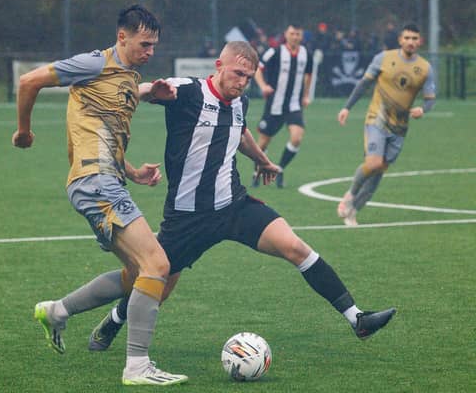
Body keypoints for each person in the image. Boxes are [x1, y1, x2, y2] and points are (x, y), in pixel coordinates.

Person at [84, 41, 396, 356]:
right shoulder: (187, 91)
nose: (242, 82)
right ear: (219, 65)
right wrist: (131, 95)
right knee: (158, 286)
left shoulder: (240, 102)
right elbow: (151, 88)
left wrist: (262, 160)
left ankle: (357, 319)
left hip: (234, 206)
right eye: (238, 73)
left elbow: (241, 133)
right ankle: (113, 320)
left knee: (295, 247)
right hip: (188, 217)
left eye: (248, 77)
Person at [12, 4, 187, 386]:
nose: (151, 52)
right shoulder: (94, 63)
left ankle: (59, 310)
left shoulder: (125, 77)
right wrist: (24, 131)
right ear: (122, 37)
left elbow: (104, 126)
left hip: (104, 180)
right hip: (95, 182)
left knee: (138, 273)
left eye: (155, 45)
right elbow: (29, 81)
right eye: (145, 44)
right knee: (159, 264)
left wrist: (134, 170)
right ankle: (138, 367)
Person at [337, 24, 436, 226]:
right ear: (400, 40)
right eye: (407, 37)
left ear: (420, 42)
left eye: (414, 38)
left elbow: (430, 98)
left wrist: (423, 109)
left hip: (399, 127)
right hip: (377, 118)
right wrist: (347, 107)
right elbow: (363, 84)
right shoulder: (383, 58)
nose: (410, 41)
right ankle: (350, 194)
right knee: (373, 163)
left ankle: (353, 211)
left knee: (379, 171)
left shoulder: (425, 68)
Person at [252, 24, 313, 188]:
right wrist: (263, 86)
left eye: (298, 34)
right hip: (275, 104)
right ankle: (257, 171)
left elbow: (308, 74)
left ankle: (279, 169)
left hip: (294, 104)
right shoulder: (275, 51)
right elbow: (258, 67)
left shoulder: (306, 53)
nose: (295, 37)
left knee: (297, 138)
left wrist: (306, 95)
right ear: (286, 34)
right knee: (263, 143)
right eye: (292, 33)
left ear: (301, 36)